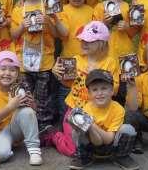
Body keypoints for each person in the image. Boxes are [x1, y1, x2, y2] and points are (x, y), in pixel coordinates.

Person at [10, 0, 66, 135]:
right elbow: (13, 35)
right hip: (23, 64)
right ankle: (27, 126)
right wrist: (22, 26)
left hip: (45, 63)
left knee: (44, 98)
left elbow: (57, 35)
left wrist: (48, 22)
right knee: (25, 95)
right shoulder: (18, 9)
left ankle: (44, 127)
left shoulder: (48, 7)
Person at [50, 21, 119, 152]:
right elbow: (68, 84)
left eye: (89, 40)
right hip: (75, 110)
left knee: (95, 144)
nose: (84, 43)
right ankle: (55, 136)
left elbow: (114, 90)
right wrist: (59, 75)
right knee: (74, 150)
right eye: (83, 39)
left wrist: (97, 75)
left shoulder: (110, 63)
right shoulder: (76, 60)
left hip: (99, 112)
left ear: (102, 43)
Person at [68, 69, 139, 170]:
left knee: (128, 129)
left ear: (111, 91)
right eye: (95, 90)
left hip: (112, 145)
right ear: (89, 93)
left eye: (104, 88)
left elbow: (108, 139)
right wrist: (90, 127)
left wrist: (92, 124)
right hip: (91, 145)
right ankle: (84, 156)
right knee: (76, 131)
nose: (99, 93)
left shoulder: (118, 109)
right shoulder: (86, 108)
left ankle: (121, 156)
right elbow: (96, 142)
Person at [0, 51, 43, 166]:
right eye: (3, 69)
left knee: (27, 112)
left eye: (12, 70)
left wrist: (32, 105)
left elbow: (32, 114)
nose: (7, 73)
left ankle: (34, 151)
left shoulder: (20, 89)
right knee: (1, 155)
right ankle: (8, 146)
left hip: (15, 128)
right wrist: (10, 106)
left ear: (17, 74)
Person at [93, 0, 137, 104]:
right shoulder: (99, 7)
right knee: (106, 90)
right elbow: (93, 34)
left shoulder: (129, 7)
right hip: (106, 56)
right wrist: (104, 24)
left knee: (125, 91)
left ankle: (121, 119)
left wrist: (127, 27)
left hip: (126, 55)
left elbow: (134, 33)